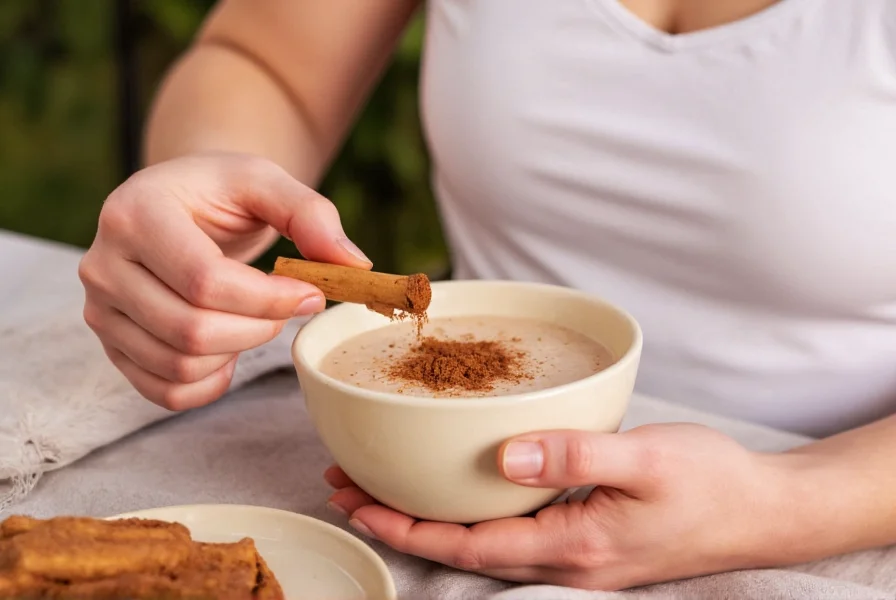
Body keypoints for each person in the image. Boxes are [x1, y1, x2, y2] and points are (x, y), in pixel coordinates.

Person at [78, 0, 896, 590]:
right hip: (438, 480)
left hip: (840, 508)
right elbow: (270, 59)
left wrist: (788, 502)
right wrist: (206, 176)